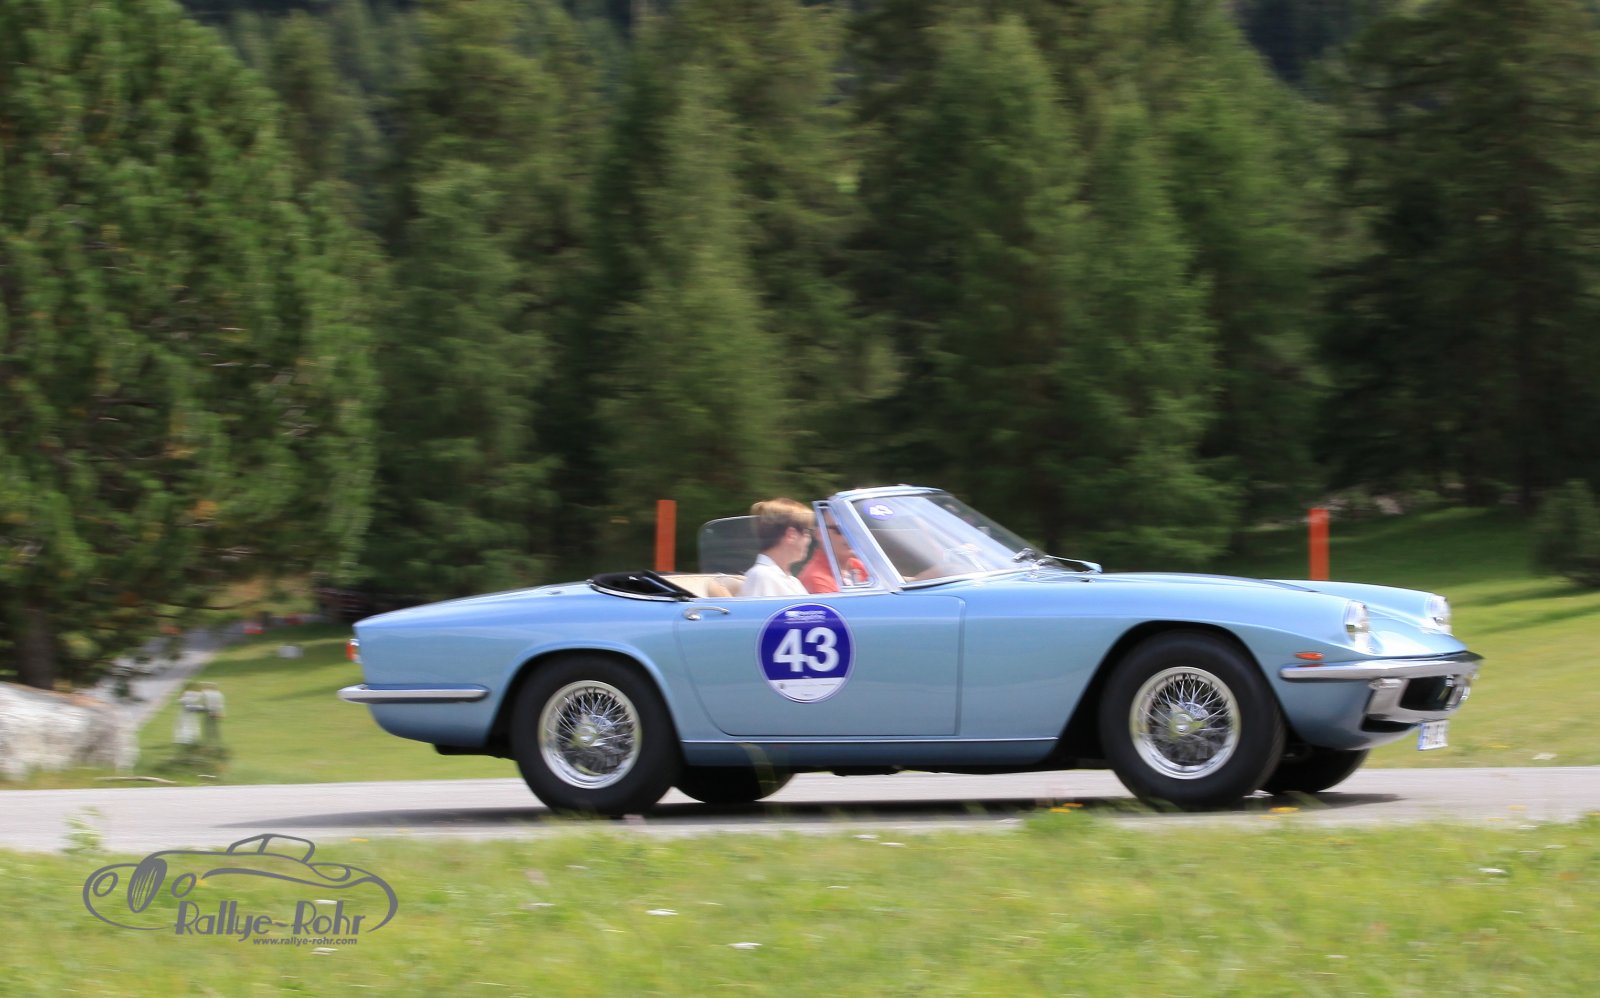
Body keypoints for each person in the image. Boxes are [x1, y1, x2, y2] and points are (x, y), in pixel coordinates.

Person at [741, 498, 814, 597]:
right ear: (791, 535)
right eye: (807, 532)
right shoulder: (762, 576)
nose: (809, 539)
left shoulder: (790, 580)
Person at [799, 514, 867, 594]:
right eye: (840, 530)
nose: (850, 537)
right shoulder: (816, 579)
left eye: (853, 530)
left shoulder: (861, 566)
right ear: (820, 534)